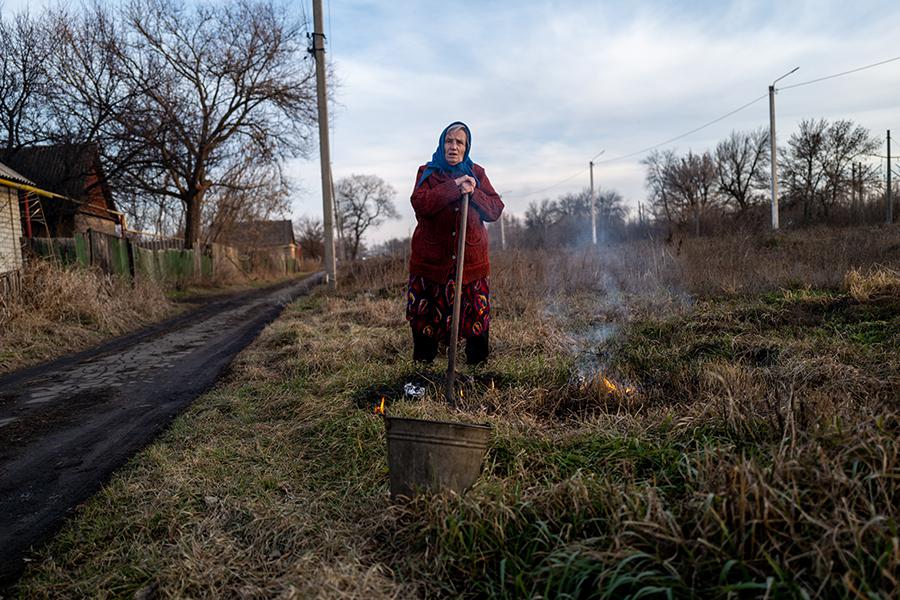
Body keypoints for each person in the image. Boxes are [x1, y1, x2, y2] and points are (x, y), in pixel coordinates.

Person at [406, 121, 504, 365]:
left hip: (471, 264)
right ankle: (423, 370)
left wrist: (474, 191)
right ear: (441, 144)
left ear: (466, 147)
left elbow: (494, 210)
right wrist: (454, 186)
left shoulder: (477, 173)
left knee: (476, 319)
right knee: (425, 317)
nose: (453, 146)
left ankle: (478, 369)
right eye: (449, 141)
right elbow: (421, 203)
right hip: (431, 263)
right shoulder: (427, 172)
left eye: (459, 142)